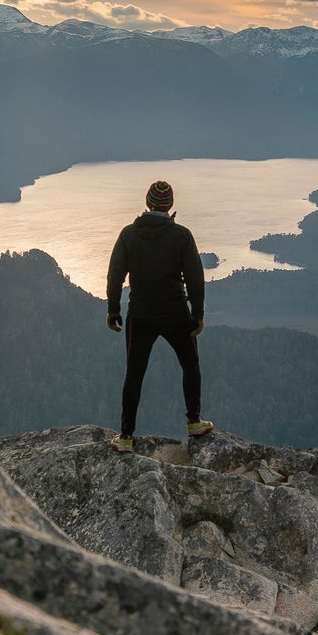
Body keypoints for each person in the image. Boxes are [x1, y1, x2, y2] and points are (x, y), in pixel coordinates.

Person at [106, 180, 214, 453]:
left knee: (134, 373)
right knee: (190, 364)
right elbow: (195, 278)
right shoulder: (181, 236)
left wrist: (113, 310)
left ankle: (126, 436)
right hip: (176, 313)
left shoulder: (129, 234)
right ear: (170, 205)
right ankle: (194, 422)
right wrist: (198, 314)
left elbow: (115, 274)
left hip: (140, 314)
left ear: (147, 202)